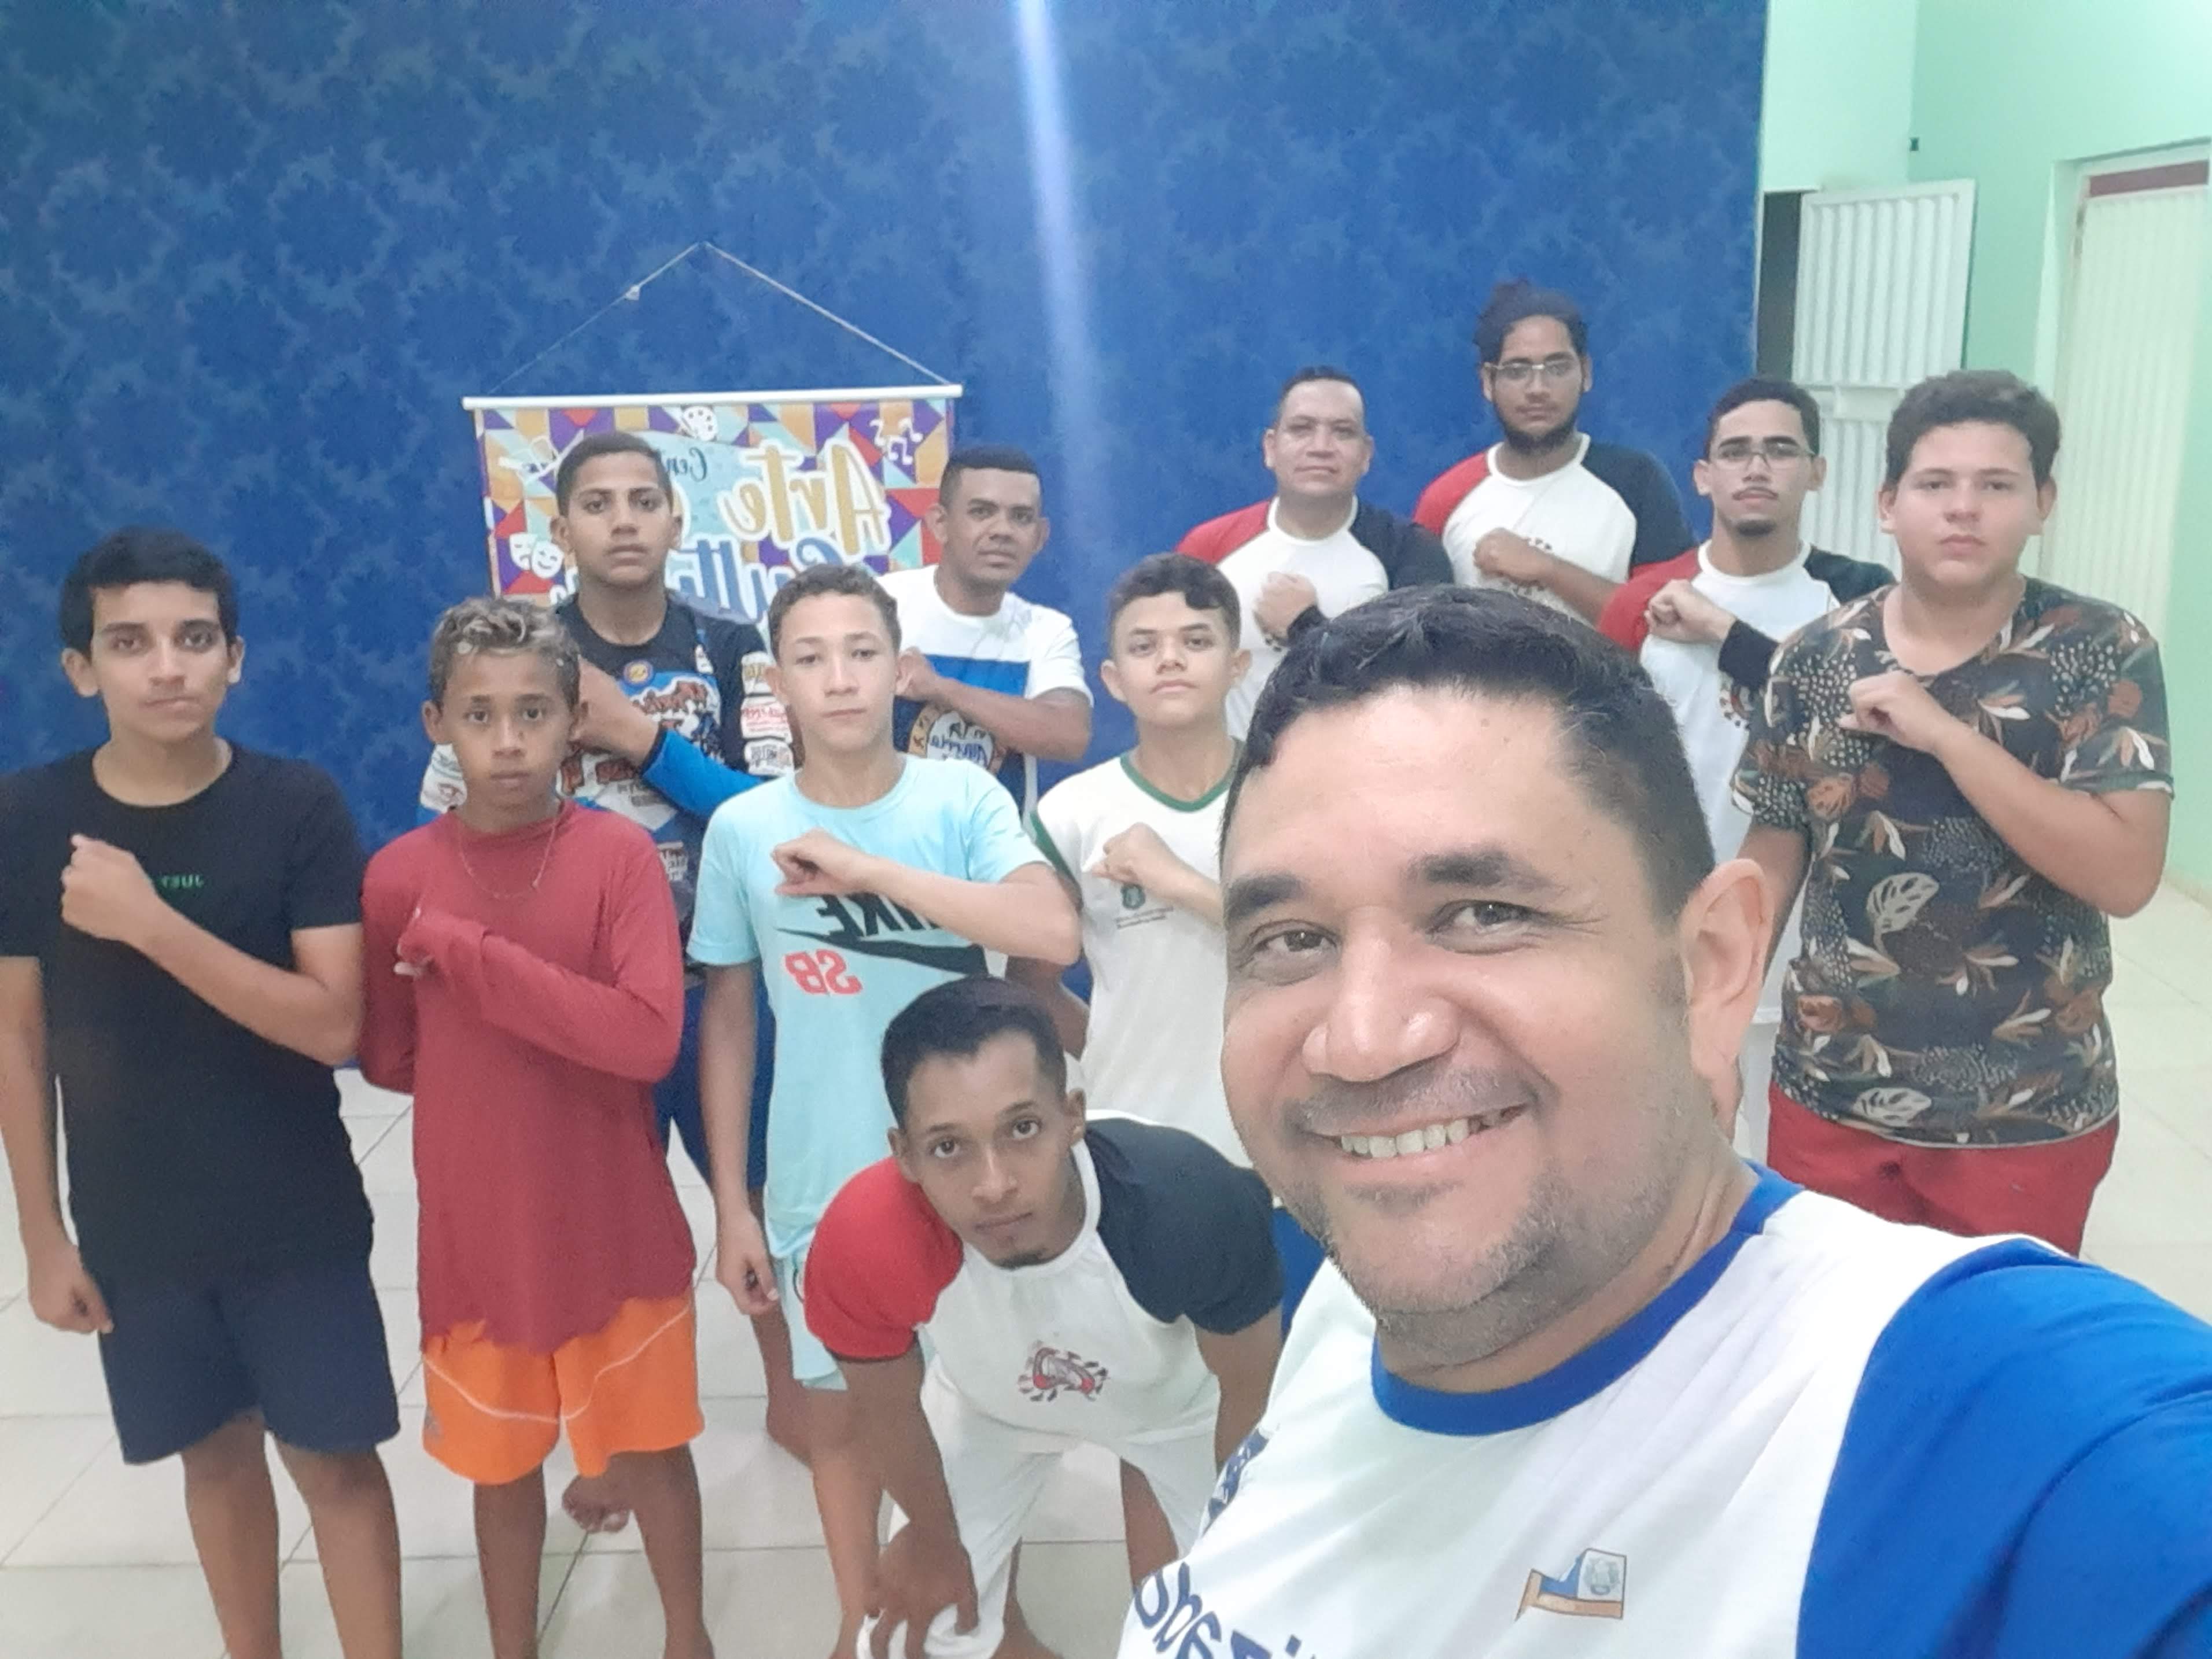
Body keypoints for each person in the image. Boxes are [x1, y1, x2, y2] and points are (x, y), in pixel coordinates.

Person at [1117, 586, 2212, 1657]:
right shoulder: (1351, 1304)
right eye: (1291, 940)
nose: (1360, 1040)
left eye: (1484, 914)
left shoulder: (1963, 1424)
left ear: (1711, 965)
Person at [0, 529, 402, 1659]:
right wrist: (42, 1235)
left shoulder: (295, 805)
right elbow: (18, 1039)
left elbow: (332, 1023)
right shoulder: (29, 817)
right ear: (82, 668)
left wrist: (149, 921)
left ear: (236, 657)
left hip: (294, 1208)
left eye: (193, 638)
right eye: (130, 643)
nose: (167, 666)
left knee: (334, 1461)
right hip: (136, 1221)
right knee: (213, 1456)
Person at [687, 562, 1080, 1657]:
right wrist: (732, 1206)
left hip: (975, 1177)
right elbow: (730, 1023)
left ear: (898, 666)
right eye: (810, 658)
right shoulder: (744, 830)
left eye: (861, 652)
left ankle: (993, 1619)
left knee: (986, 1419)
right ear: (776, 683)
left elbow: (1050, 931)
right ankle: (862, 1622)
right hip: (820, 1173)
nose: (840, 679)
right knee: (842, 1421)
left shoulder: (960, 801)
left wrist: (870, 871)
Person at [419, 429, 809, 1518]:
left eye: (645, 499)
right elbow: (449, 816)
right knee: (589, 1212)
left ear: (678, 521)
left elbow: (769, 813)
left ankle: (790, 1391)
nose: (624, 519)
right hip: (573, 1004)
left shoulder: (733, 646)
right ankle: (601, 1441)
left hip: (718, 984)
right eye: (598, 502)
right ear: (560, 529)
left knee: (756, 1193)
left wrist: (640, 736)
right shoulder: (522, 658)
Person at [1736, 370, 2172, 1253]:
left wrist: (1945, 734)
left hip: (2028, 1108)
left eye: (1997, 485)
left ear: (2043, 503)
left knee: (1998, 1335)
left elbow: (2125, 877)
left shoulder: (2099, 650)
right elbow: (1771, 856)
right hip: (1834, 1092)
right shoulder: (1815, 658)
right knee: (1835, 1328)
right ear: (1887, 504)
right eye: (1936, 483)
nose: (1963, 508)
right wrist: (1709, 1034)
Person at [362, 597, 709, 1659]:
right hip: (479, 1234)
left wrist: (473, 957)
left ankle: (687, 1637)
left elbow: (647, 1037)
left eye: (532, 712)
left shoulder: (618, 858)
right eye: (480, 715)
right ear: (438, 725)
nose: (507, 740)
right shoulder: (397, 878)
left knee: (651, 1450)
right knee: (500, 1465)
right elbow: (389, 1056)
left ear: (573, 720)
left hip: (614, 1221)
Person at [805, 976, 1281, 1659]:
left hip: (1182, 1411)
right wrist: (934, 1538)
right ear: (903, 1154)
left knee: (1251, 1627)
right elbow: (887, 1413)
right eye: (948, 1147)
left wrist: (1237, 1546)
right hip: (987, 1412)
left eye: (1022, 1129)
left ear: (1072, 1116)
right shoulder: (863, 1240)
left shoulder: (1188, 1203)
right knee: (926, 1633)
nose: (993, 1184)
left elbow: (1249, 1392)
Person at [1597, 379, 1889, 1157]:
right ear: (1703, 475)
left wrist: (1724, 633)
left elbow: (1868, 721)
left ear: (1816, 471)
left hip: (1818, 944)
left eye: (1780, 450)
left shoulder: (1861, 600)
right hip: (1675, 929)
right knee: (1674, 1156)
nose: (1756, 467)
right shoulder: (1643, 603)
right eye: (1735, 452)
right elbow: (1596, 765)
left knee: (1793, 1170)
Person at [1177, 366, 1452, 737]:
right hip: (1237, 768)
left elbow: (1422, 688)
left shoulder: (1410, 552)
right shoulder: (1209, 547)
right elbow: (1175, 672)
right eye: (1302, 429)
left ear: (1366, 454)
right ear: (1271, 448)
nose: (1321, 447)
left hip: (1365, 768)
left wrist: (1305, 626)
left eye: (1342, 431)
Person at [1414, 279, 1693, 623]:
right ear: (1488, 381)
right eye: (1517, 371)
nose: (1538, 389)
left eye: (1557, 368)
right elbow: (1418, 632)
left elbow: (1670, 622)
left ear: (1585, 373)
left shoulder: (1636, 483)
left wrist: (1547, 569)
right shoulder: (1446, 499)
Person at [879, 444, 1091, 815]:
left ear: (1040, 537)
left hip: (1002, 850)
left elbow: (1069, 734)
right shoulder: (880, 607)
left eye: (1021, 517)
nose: (1002, 531)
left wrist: (940, 688)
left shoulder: (1046, 629)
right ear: (940, 524)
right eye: (982, 512)